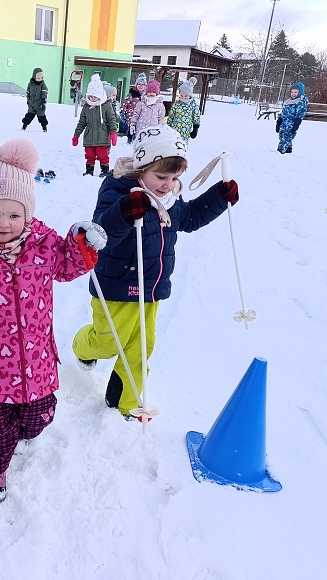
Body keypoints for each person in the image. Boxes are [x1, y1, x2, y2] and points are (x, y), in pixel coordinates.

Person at [0, 137, 107, 503]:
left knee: (39, 415)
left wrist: (82, 244)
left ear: (27, 213)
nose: (4, 223)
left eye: (14, 214)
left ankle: (20, 430)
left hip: (35, 358)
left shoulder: (43, 246)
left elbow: (67, 264)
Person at [71, 124, 240, 418]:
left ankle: (126, 401)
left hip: (151, 288)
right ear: (141, 167)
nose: (167, 184)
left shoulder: (170, 197)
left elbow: (188, 218)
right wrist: (125, 212)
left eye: (174, 177)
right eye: (161, 176)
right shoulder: (118, 189)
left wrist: (218, 198)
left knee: (140, 348)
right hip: (117, 284)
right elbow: (102, 232)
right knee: (109, 342)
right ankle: (83, 346)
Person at [72, 74, 119, 178]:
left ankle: (105, 170)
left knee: (103, 155)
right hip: (89, 137)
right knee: (89, 155)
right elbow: (81, 122)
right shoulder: (86, 107)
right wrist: (76, 135)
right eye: (90, 96)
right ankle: (89, 170)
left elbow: (112, 120)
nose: (92, 98)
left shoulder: (106, 106)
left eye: (95, 96)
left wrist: (113, 133)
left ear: (100, 95)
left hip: (102, 137)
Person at [275, 82, 308, 154]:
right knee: (282, 137)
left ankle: (280, 152)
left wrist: (296, 125)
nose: (293, 94)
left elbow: (300, 114)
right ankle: (288, 151)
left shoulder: (300, 103)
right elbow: (283, 112)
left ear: (300, 92)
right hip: (284, 124)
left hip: (291, 125)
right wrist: (279, 121)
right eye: (292, 92)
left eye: (296, 92)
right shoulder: (288, 101)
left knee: (285, 139)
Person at [166, 77, 201, 142]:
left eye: (186, 96)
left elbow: (196, 117)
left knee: (182, 146)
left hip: (185, 132)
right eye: (181, 96)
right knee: (172, 145)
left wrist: (195, 129)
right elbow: (171, 115)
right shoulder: (177, 104)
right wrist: (168, 126)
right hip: (174, 130)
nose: (183, 98)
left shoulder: (193, 105)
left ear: (190, 95)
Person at [120, 73, 146, 143]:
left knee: (139, 127)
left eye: (142, 84)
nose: (140, 86)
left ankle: (138, 139)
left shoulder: (146, 95)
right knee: (132, 127)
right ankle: (130, 139)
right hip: (131, 115)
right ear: (136, 85)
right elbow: (125, 104)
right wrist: (123, 112)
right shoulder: (132, 93)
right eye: (139, 84)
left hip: (142, 115)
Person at [22, 68, 49, 132]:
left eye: (42, 78)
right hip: (32, 104)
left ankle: (44, 127)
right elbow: (28, 92)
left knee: (41, 117)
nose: (40, 80)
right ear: (34, 77)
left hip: (40, 105)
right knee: (29, 116)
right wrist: (28, 100)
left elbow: (44, 93)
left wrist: (43, 102)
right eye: (38, 78)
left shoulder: (43, 85)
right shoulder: (30, 84)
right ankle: (24, 126)